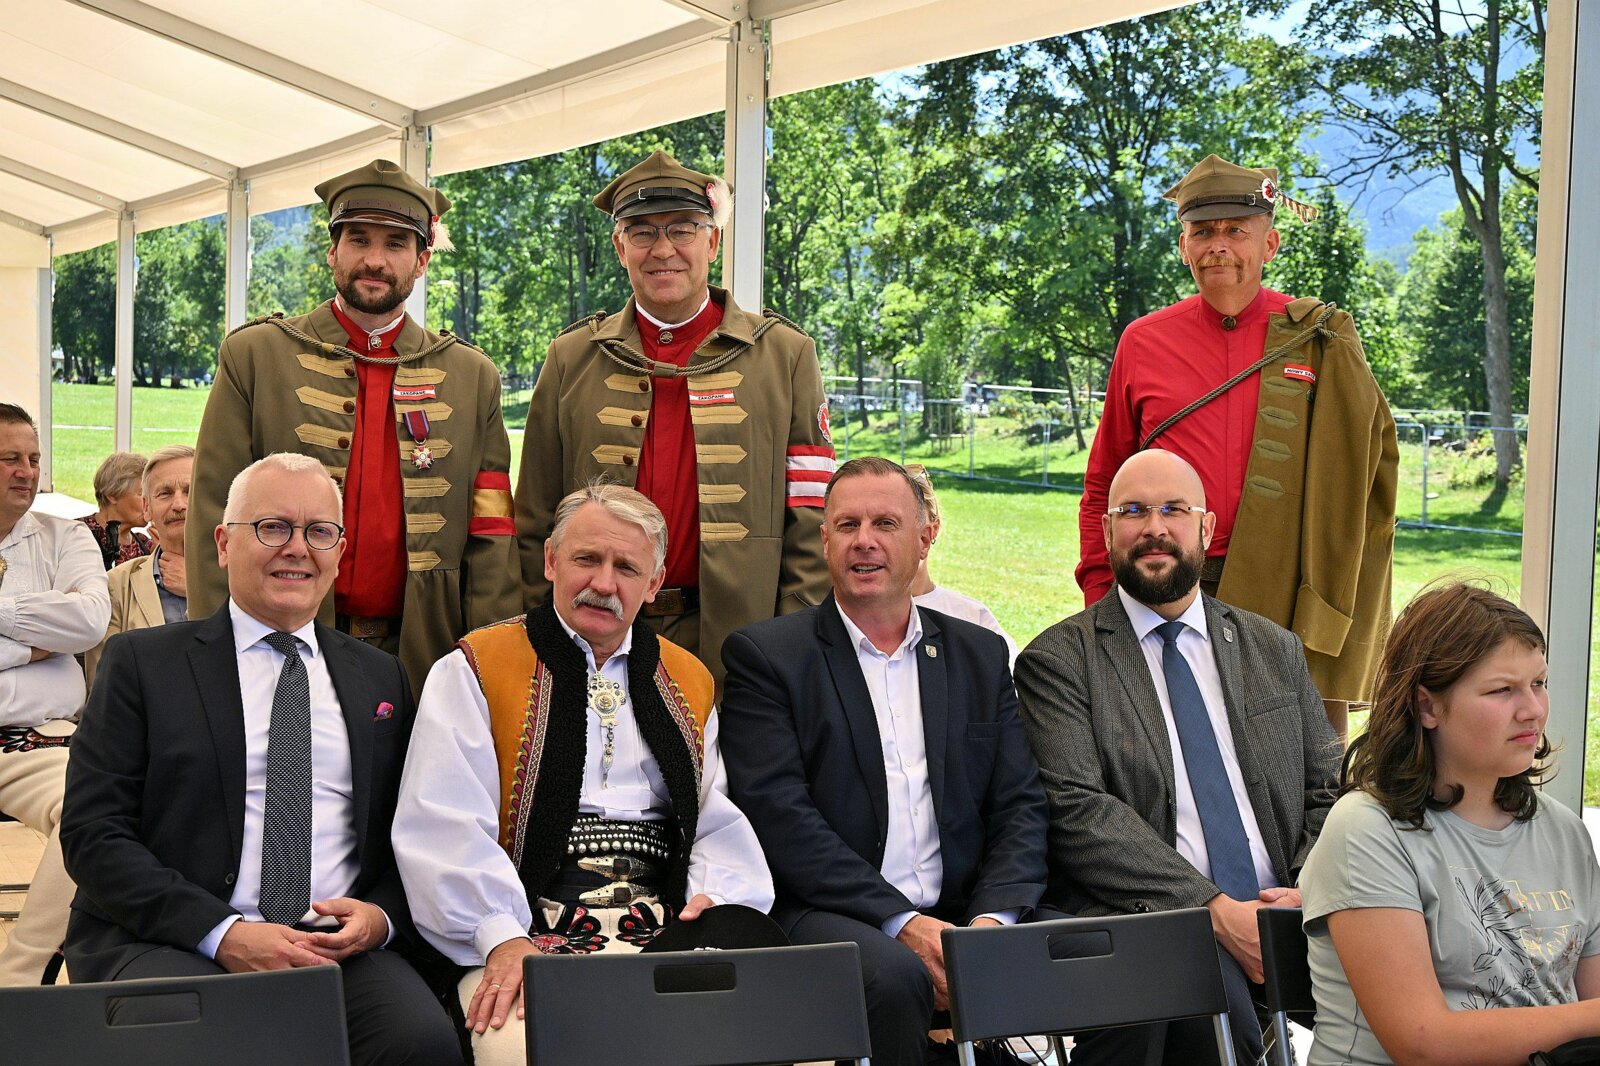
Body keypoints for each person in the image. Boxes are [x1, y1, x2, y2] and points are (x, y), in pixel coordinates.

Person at [61, 453, 461, 1066]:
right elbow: (94, 834)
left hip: (335, 945)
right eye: (273, 527)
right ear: (223, 544)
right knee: (204, 1045)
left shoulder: (380, 677)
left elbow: (411, 832)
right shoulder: (142, 664)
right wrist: (224, 934)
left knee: (421, 1043)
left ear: (339, 552)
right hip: (173, 936)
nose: (297, 548)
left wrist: (380, 917)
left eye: (318, 532)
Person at [394, 481, 775, 1066]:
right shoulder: (474, 668)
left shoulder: (688, 679)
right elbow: (443, 825)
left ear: (654, 584)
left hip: (668, 926)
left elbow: (715, 821)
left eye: (627, 568)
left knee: (777, 1039)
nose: (603, 583)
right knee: (530, 1051)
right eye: (586, 559)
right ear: (550, 560)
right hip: (526, 926)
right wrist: (500, 937)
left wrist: (715, 909)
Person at [720, 456, 1049, 1066]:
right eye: (847, 525)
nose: (864, 541)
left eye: (885, 524)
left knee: (1104, 952)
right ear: (825, 540)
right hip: (835, 911)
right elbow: (779, 817)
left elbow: (1020, 805)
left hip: (968, 908)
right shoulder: (768, 657)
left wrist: (991, 924)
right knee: (897, 978)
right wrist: (902, 922)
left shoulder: (978, 654)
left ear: (925, 537)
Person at [1016, 448, 1340, 1065]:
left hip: (1292, 906)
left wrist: (1304, 890)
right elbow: (1079, 813)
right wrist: (1212, 909)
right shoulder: (1060, 662)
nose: (1154, 528)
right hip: (1159, 917)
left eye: (1173, 510)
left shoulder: (1273, 649)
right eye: (1133, 512)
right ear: (1107, 531)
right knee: (1213, 1011)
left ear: (1207, 528)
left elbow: (1330, 789)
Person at [1077, 153, 1398, 724]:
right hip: (1166, 581)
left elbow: (1361, 482)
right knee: (1167, 747)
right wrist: (1102, 591)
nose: (1217, 246)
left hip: (1289, 594)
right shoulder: (1143, 341)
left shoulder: (1316, 339)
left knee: (1297, 756)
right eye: (1202, 232)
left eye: (1235, 231)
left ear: (1269, 244)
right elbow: (1105, 481)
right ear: (1184, 247)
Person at [188, 158, 520, 691]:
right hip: (278, 642)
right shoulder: (255, 355)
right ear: (332, 251)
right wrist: (214, 651)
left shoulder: (471, 375)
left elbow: (492, 529)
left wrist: (493, 657)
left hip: (424, 653)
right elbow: (212, 510)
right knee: (284, 752)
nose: (374, 260)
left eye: (395, 244)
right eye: (358, 240)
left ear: (422, 260)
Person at [515, 149, 833, 691]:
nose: (663, 250)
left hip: (740, 641)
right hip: (592, 635)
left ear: (713, 242)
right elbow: (535, 514)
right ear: (620, 248)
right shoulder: (571, 357)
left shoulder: (785, 355)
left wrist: (793, 634)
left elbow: (812, 516)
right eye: (641, 232)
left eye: (683, 229)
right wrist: (541, 631)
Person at [1298, 582, 1600, 1066]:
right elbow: (1422, 1043)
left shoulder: (1563, 831)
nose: (1533, 710)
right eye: (1502, 690)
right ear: (1427, 707)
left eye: (1539, 683)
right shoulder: (1367, 830)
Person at [0, 403, 109, 986]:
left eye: (34, 458)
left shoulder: (66, 536)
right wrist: (35, 644)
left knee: (90, 808)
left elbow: (89, 621)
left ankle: (18, 984)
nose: (26, 472)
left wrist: (4, 616)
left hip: (37, 740)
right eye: (9, 459)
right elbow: (67, 626)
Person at [84, 444, 193, 687]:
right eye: (165, 493)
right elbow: (105, 687)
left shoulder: (237, 578)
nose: (179, 504)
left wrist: (196, 590)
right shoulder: (116, 585)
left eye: (190, 491)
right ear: (147, 508)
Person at [904, 465, 1018, 666]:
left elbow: (1011, 676)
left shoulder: (971, 617)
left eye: (892, 524)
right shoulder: (851, 618)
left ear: (930, 533)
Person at [79, 451, 152, 569]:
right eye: (141, 494)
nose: (149, 502)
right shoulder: (80, 536)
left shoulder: (144, 545)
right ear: (112, 495)